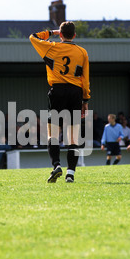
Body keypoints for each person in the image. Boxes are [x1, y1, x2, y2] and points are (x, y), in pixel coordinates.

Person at [30, 21, 90, 183]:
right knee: (73, 137)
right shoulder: (82, 52)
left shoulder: (51, 47)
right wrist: (85, 99)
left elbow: (33, 37)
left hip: (57, 91)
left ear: (61, 35)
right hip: (75, 92)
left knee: (53, 134)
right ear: (75, 35)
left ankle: (56, 165)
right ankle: (70, 173)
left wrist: (51, 33)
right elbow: (85, 79)